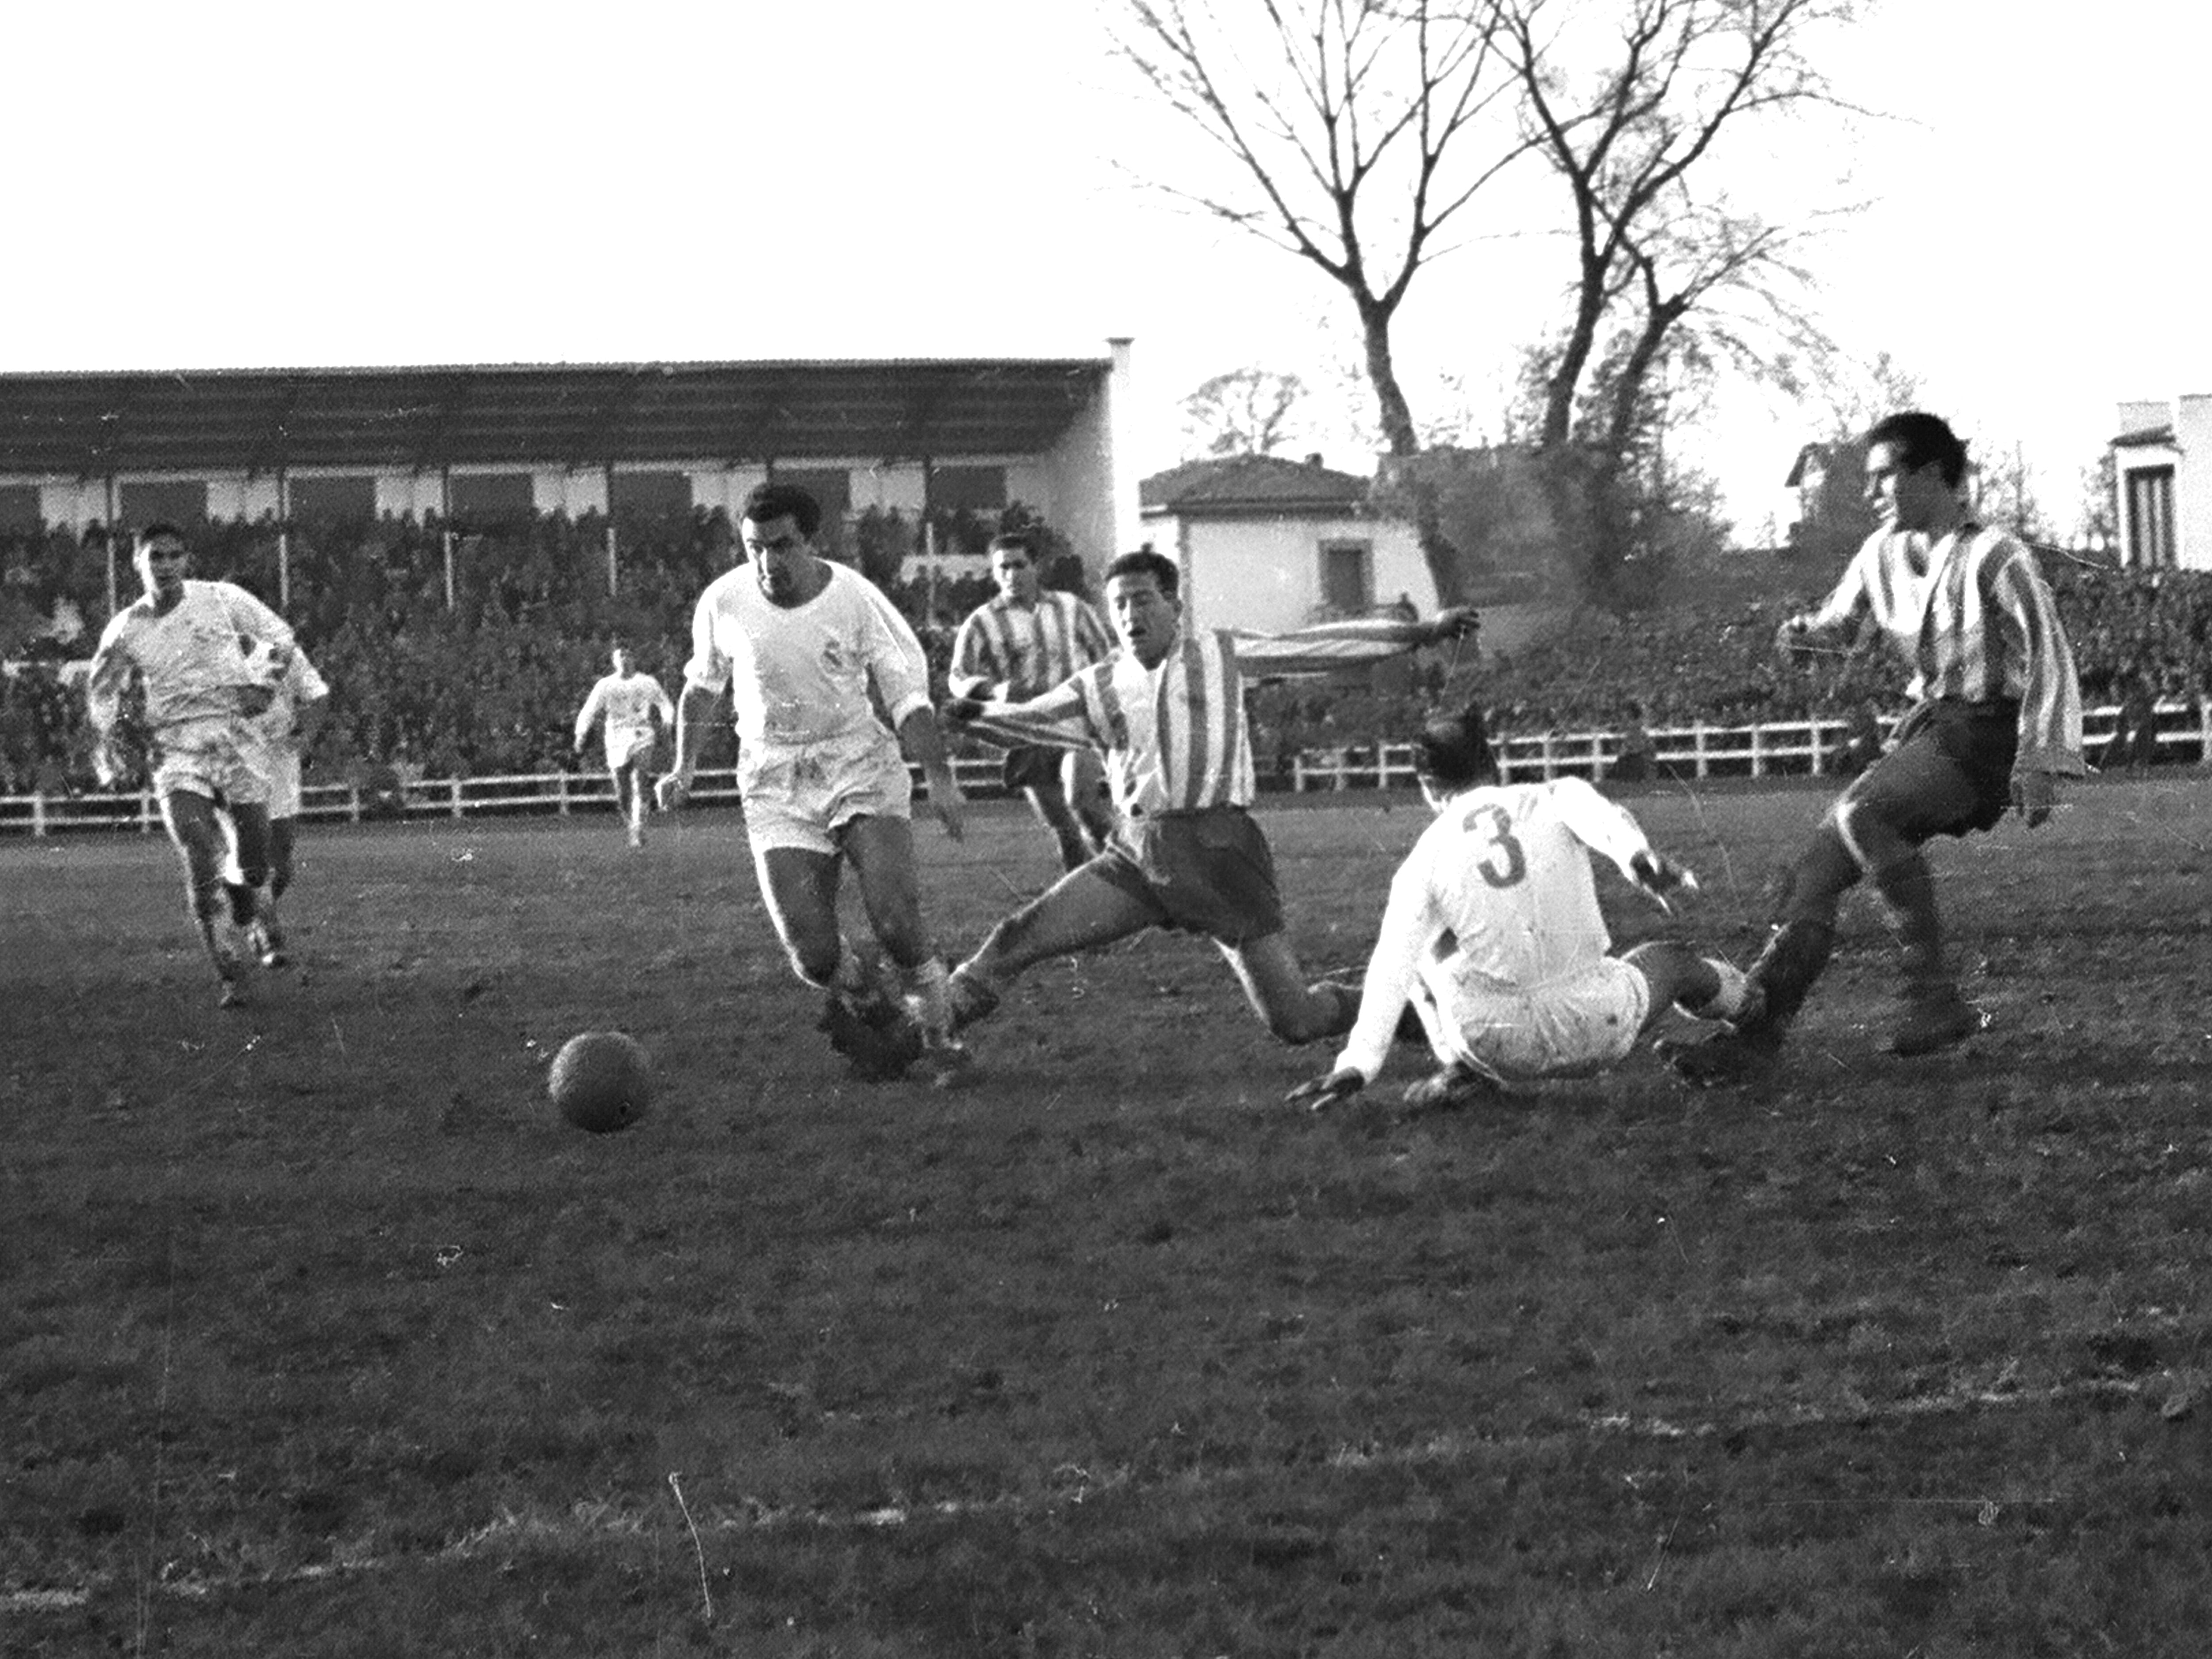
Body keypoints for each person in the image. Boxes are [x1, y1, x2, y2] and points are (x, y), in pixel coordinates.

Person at [1667, 411, 2087, 1085]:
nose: (1872, 494)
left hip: (1985, 735)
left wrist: (2041, 759)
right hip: (1929, 730)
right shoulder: (1881, 551)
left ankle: (1935, 995)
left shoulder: (1999, 554)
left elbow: (2050, 654)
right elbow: (1841, 625)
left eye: (1882, 476)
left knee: (1864, 814)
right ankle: (1754, 1039)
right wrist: (1801, 633)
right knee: (1814, 871)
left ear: (1928, 473)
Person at [937, 548, 1478, 1051]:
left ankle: (1402, 1014)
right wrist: (974, 717)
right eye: (1119, 604)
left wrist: (1423, 631)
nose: (1130, 614)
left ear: (1174, 605)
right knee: (1018, 936)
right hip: (1136, 857)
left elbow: (1320, 645)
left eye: (1143, 599)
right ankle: (925, 1030)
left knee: (1295, 1021)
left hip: (1220, 852)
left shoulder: (1220, 653)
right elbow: (1030, 723)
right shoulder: (1096, 685)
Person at [1286, 701, 1756, 1113]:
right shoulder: (1551, 796)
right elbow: (1595, 816)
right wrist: (1634, 856)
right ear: (1491, 762)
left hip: (1493, 1039)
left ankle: (1457, 1072)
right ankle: (1753, 1010)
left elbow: (1390, 967)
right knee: (1671, 962)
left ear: (1427, 785)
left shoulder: (1420, 861)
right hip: (1597, 1020)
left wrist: (1358, 1064)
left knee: (1426, 948)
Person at [653, 482, 972, 1082]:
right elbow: (703, 685)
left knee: (898, 922)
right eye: (754, 548)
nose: (767, 563)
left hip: (857, 763)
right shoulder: (723, 600)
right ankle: (870, 1002)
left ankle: (940, 1038)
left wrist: (939, 777)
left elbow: (906, 696)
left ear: (811, 541)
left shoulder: (855, 597)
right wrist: (684, 766)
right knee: (813, 955)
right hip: (774, 777)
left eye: (782, 546)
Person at [83, 522, 298, 1007]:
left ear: (187, 560)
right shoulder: (127, 628)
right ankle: (228, 970)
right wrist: (110, 734)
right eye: (154, 557)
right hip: (176, 747)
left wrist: (262, 684)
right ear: (138, 563)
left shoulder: (222, 598)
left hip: (235, 737)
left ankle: (254, 910)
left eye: (173, 556)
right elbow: (102, 688)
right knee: (197, 847)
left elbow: (279, 636)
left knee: (252, 862)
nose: (164, 566)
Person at [948, 530, 1117, 872]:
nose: (1011, 575)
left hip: (1075, 722)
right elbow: (958, 676)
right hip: (1024, 730)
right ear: (993, 572)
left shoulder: (1072, 608)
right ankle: (1082, 899)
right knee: (1064, 831)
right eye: (1003, 568)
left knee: (1082, 802)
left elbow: (1108, 657)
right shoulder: (982, 621)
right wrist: (993, 691)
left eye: (1019, 565)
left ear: (1036, 567)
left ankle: (1130, 869)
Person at [225, 640, 330, 966]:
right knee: (258, 858)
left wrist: (307, 738)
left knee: (282, 864)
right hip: (237, 763)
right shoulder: (210, 658)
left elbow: (319, 696)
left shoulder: (282, 655)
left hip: (280, 760)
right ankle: (268, 934)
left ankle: (243, 901)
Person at [572, 642, 674, 848]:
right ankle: (633, 828)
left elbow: (664, 703)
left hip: (641, 733)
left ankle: (640, 826)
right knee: (622, 792)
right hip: (616, 738)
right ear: (615, 661)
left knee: (639, 778)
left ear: (634, 659)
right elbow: (589, 710)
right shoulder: (606, 685)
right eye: (621, 656)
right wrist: (580, 734)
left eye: (629, 655)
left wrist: (668, 720)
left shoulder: (647, 682)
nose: (625, 660)